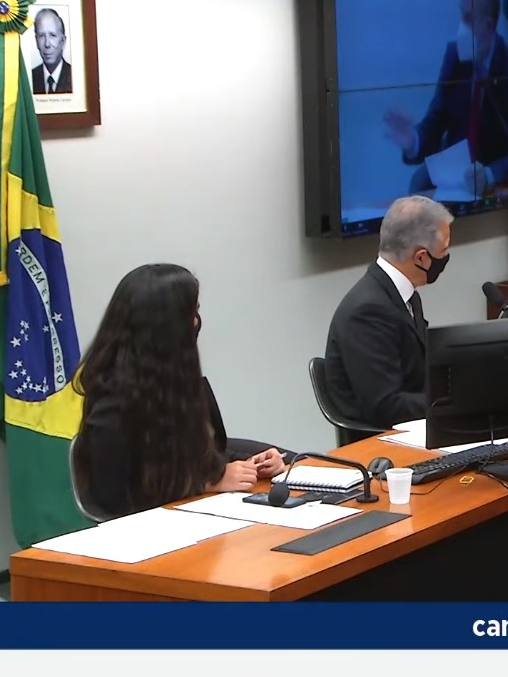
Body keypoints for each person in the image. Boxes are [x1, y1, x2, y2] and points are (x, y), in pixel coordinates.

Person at [72, 265, 289, 520]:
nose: (196, 322)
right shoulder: (112, 409)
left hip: (195, 516)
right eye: (190, 314)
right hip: (147, 531)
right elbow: (115, 500)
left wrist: (252, 464)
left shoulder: (176, 385)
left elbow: (201, 452)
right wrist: (206, 483)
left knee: (289, 460)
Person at [325, 196, 453, 429]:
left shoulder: (406, 295)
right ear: (421, 258)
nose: (446, 257)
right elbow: (385, 406)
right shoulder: (367, 312)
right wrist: (454, 402)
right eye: (444, 250)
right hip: (379, 440)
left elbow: (419, 371)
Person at [382, 0, 508, 198]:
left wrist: (488, 175)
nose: (461, 27)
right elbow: (435, 122)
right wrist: (412, 141)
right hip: (455, 179)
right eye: (461, 16)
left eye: (468, 19)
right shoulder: (454, 56)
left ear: (488, 24)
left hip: (491, 185)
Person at [30, 8, 74, 95]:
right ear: (36, 41)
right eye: (42, 36)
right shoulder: (30, 77)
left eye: (53, 35)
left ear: (63, 41)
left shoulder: (74, 76)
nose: (47, 44)